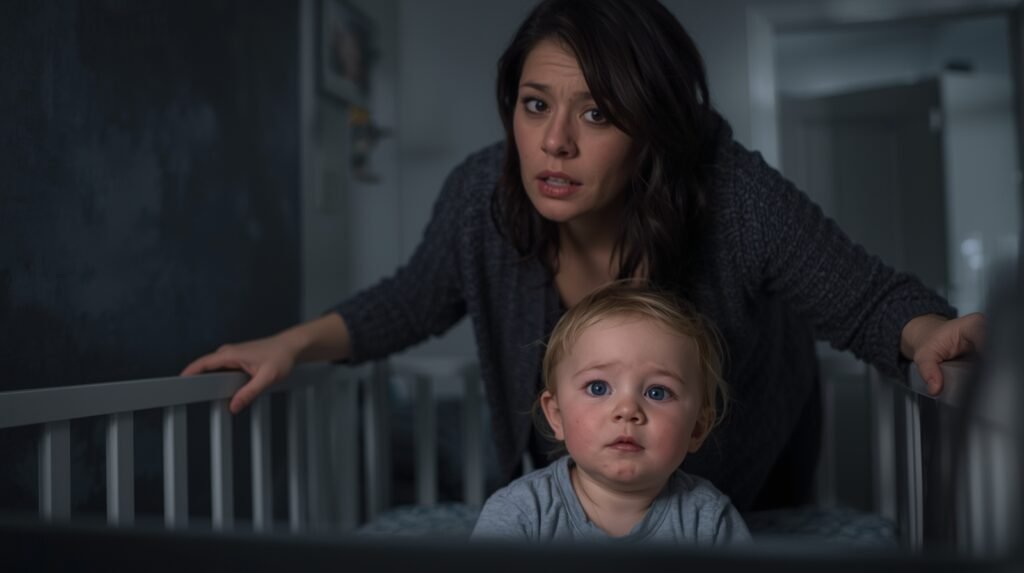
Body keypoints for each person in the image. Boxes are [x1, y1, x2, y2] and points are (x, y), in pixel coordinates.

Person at [182, 0, 984, 512]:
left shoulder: (734, 194)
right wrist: (290, 344)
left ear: (652, 131)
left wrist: (927, 332)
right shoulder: (482, 198)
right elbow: (412, 297)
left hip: (748, 472)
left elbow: (869, 300)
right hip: (580, 496)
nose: (554, 142)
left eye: (597, 113)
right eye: (535, 106)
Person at [471, 283, 750, 543]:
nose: (627, 410)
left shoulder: (709, 521)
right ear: (556, 415)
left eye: (658, 392)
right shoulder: (520, 513)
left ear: (698, 428)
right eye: (598, 388)